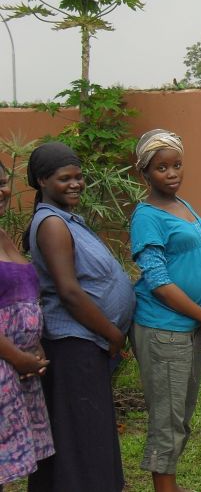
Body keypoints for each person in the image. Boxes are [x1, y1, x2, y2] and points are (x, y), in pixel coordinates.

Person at [23, 142, 134, 491]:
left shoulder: (68, 220)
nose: (75, 184)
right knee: (81, 435)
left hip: (86, 344)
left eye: (79, 176)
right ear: (42, 181)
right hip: (75, 345)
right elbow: (70, 292)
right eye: (64, 178)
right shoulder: (52, 225)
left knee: (83, 432)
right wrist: (113, 334)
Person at [129, 129, 201, 492]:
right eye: (161, 168)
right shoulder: (147, 216)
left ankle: (169, 481)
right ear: (145, 173)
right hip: (164, 326)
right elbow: (157, 278)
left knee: (181, 411)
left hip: (187, 328)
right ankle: (164, 486)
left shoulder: (182, 205)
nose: (171, 174)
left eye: (176, 165)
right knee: (167, 415)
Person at [0, 159, 53, 489]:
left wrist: (34, 350)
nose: (2, 191)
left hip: (18, 368)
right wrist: (17, 356)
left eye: (3, 182)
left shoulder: (4, 234)